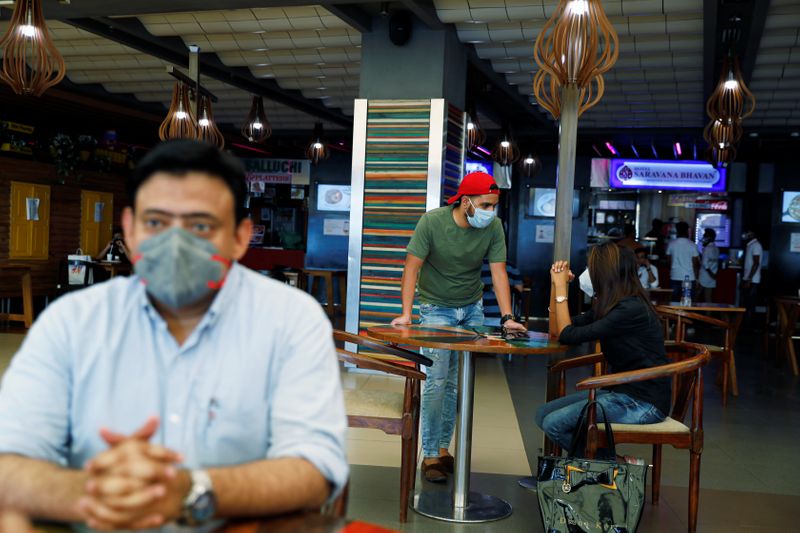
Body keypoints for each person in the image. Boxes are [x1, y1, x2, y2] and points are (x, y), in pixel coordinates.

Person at [0, 141, 348, 531]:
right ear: (129, 231)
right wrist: (101, 494)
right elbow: (7, 461)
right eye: (156, 223)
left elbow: (315, 470)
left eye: (200, 225)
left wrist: (188, 490)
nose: (176, 243)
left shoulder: (291, 320)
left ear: (240, 236)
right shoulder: (72, 321)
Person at [390, 171, 526, 483]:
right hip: (436, 307)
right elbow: (411, 267)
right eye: (486, 204)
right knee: (436, 380)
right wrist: (407, 313)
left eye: (494, 205)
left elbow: (499, 272)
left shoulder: (493, 226)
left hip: (472, 307)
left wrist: (507, 317)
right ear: (465, 202)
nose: (491, 211)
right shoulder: (432, 222)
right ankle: (429, 455)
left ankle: (442, 447)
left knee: (455, 382)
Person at [518, 244, 669, 490]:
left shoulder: (629, 309)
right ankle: (609, 467)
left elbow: (567, 334)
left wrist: (559, 288)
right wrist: (559, 288)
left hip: (643, 403)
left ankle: (593, 472)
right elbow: (559, 330)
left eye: (591, 268)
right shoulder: (611, 305)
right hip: (621, 394)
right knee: (542, 414)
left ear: (604, 273)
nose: (587, 273)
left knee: (555, 423)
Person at [481, 259, 524, 327]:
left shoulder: (478, 266)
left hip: (479, 315)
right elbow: (519, 290)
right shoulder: (511, 267)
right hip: (505, 318)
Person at [666, 221, 700, 301]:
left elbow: (668, 261)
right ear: (687, 231)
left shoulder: (671, 244)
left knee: (675, 301)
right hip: (689, 277)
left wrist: (671, 271)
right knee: (688, 302)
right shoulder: (692, 245)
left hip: (675, 275)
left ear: (677, 230)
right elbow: (695, 264)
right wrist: (697, 278)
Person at [741, 228, 763, 322]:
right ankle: (746, 324)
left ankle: (748, 326)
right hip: (749, 278)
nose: (745, 234)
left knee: (749, 304)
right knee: (746, 303)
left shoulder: (756, 245)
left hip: (752, 280)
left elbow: (756, 263)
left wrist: (749, 279)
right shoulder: (750, 245)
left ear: (752, 233)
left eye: (747, 232)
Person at [698, 228, 719, 303]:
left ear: (709, 237)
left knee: (696, 296)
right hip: (712, 276)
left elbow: (705, 264)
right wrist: (713, 275)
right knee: (708, 299)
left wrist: (711, 274)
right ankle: (708, 314)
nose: (703, 238)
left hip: (704, 276)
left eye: (704, 236)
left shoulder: (707, 248)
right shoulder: (716, 248)